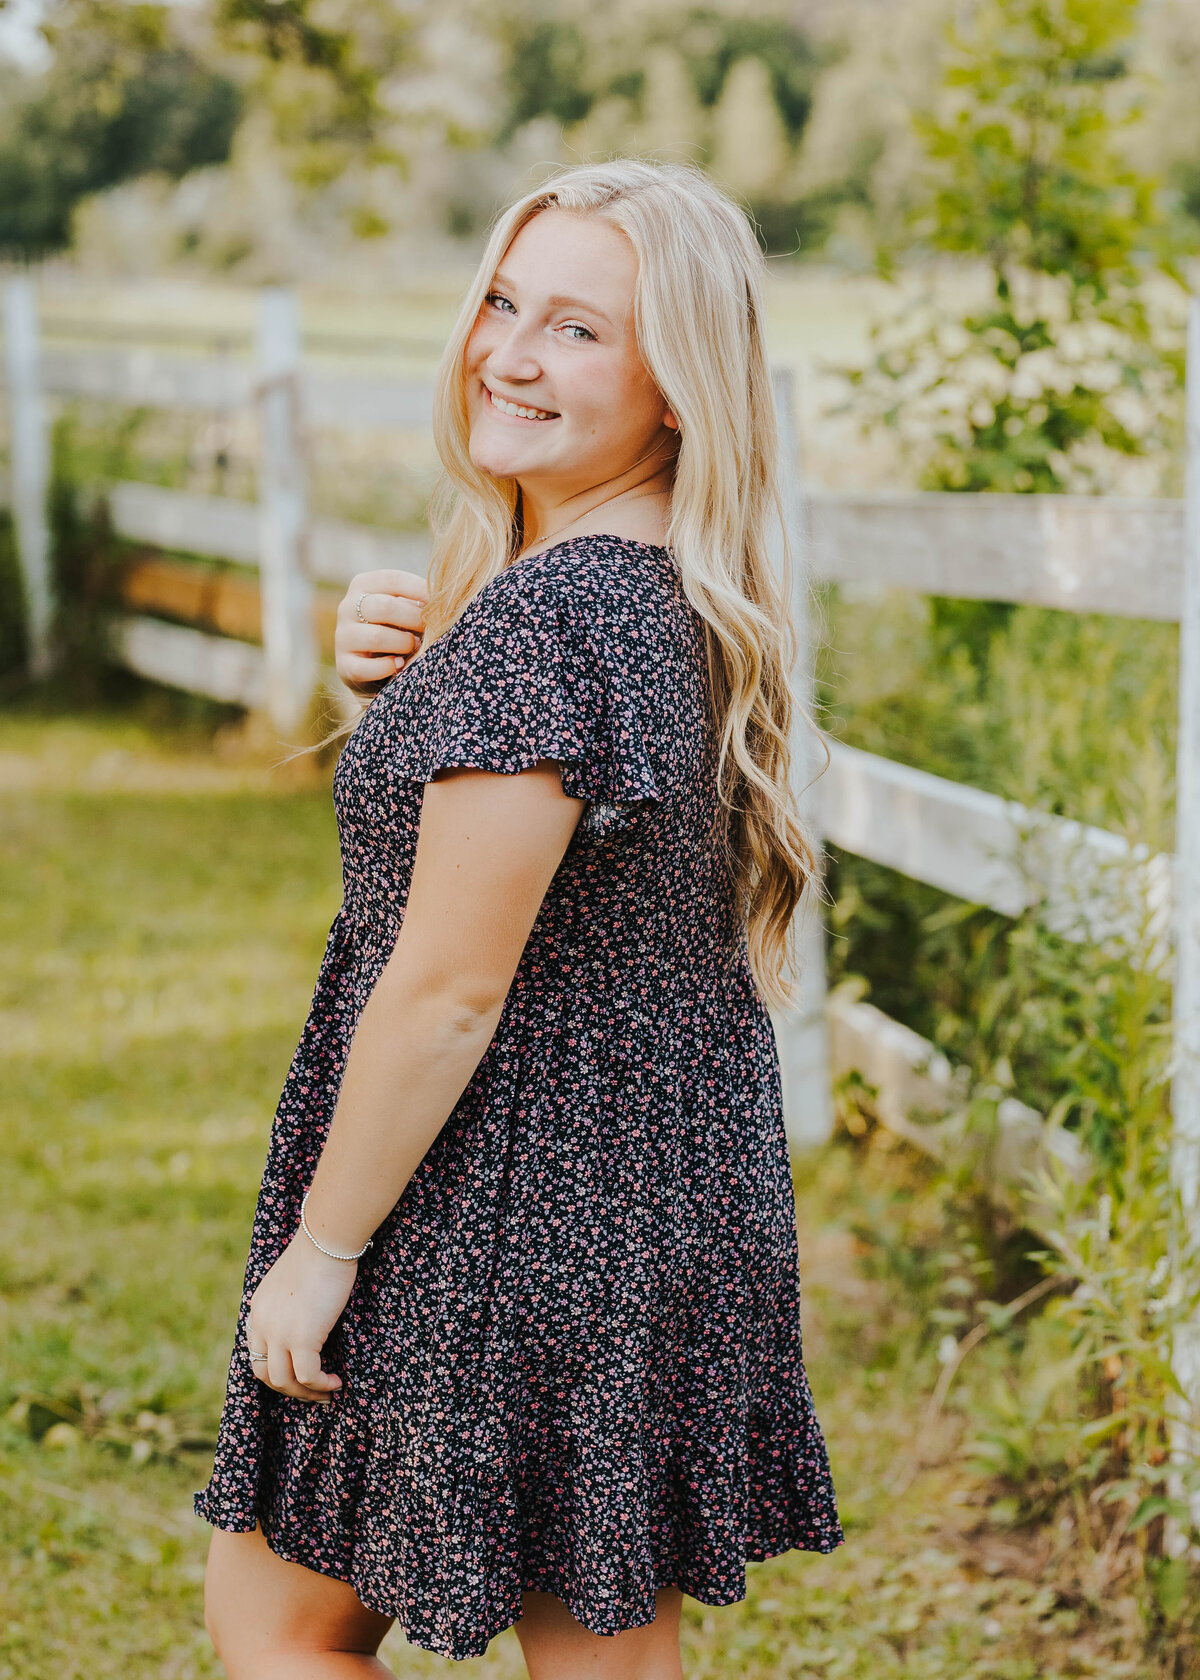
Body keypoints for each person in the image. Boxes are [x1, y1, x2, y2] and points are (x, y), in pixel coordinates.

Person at [194, 156, 843, 1680]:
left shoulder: (546, 625)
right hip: (658, 1200)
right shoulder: (660, 593)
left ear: (675, 385)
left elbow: (446, 991)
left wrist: (326, 1247)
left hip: (501, 1203)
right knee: (603, 1650)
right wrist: (411, 684)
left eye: (578, 330)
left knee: (277, 1618)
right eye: (502, 302)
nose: (509, 352)